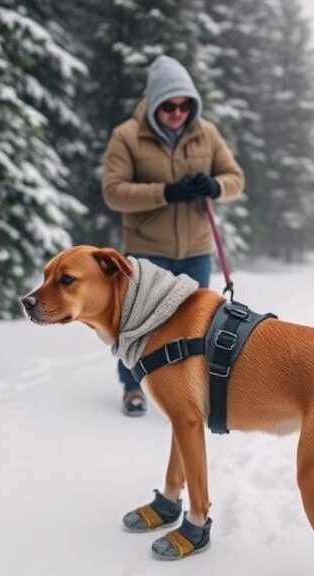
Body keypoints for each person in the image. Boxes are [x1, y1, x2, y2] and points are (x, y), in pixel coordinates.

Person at [102, 55, 245, 416]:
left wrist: (214, 185)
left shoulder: (206, 133)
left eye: (185, 105)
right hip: (146, 252)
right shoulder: (126, 136)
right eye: (169, 106)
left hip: (196, 250)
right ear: (153, 104)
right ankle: (133, 387)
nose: (178, 113)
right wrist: (165, 193)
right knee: (137, 323)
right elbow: (113, 192)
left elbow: (235, 179)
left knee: (192, 322)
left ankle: (188, 388)